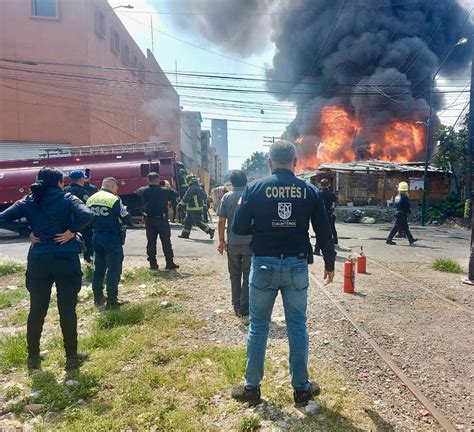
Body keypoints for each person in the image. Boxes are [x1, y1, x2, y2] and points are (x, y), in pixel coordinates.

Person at [230, 140, 336, 407]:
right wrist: (330, 263)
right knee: (297, 327)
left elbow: (239, 228)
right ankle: (301, 389)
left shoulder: (254, 189)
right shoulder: (309, 190)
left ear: (269, 162)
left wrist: (263, 228)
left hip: (264, 264)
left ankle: (251, 388)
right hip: (296, 265)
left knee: (258, 326)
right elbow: (324, 231)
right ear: (295, 162)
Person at [0, 167, 93, 370]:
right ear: (59, 182)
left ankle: (33, 357)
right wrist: (71, 232)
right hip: (65, 257)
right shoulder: (67, 198)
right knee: (67, 308)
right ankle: (71, 357)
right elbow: (87, 214)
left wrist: (26, 232)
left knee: (37, 309)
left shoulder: (28, 200)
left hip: (39, 259)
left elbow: (2, 217)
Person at [87, 177, 131, 308]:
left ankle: (98, 297)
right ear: (112, 186)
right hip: (111, 238)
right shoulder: (114, 199)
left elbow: (85, 217)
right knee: (114, 268)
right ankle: (112, 299)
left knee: (99, 268)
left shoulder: (91, 199)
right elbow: (126, 217)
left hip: (96, 236)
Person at [217, 170, 252, 319]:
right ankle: (245, 306)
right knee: (248, 275)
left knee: (234, 275)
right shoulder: (252, 196)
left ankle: (236, 304)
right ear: (245, 181)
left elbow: (221, 221)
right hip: (250, 242)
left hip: (232, 242)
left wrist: (221, 241)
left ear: (232, 183)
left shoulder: (226, 197)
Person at [135, 172, 179, 271]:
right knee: (166, 241)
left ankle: (153, 264)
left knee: (151, 242)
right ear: (158, 179)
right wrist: (168, 185)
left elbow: (136, 197)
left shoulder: (142, 190)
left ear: (147, 179)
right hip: (162, 220)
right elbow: (176, 194)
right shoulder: (164, 190)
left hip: (149, 220)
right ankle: (169, 263)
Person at [64, 170, 94, 263]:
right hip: (82, 224)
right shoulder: (83, 192)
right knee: (88, 246)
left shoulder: (64, 191)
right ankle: (88, 264)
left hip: (67, 224)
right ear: (81, 179)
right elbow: (89, 207)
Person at [386, 182, 418, 246]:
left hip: (398, 212)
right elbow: (407, 206)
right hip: (402, 214)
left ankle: (411, 239)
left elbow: (396, 204)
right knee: (396, 227)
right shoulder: (405, 197)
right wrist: (409, 212)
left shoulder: (398, 196)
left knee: (405, 228)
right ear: (406, 190)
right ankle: (389, 239)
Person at [314, 178, 338, 255]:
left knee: (319, 232)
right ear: (329, 185)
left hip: (320, 216)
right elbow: (334, 205)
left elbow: (315, 205)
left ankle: (317, 250)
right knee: (330, 231)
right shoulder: (332, 194)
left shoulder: (317, 193)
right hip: (329, 215)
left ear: (320, 185)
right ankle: (332, 247)